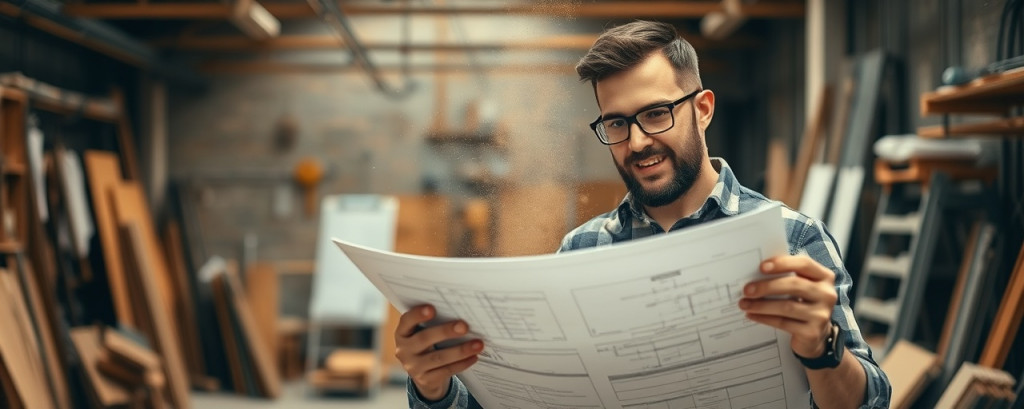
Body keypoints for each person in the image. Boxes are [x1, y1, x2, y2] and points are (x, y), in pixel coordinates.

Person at [395, 20, 891, 409]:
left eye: (656, 114)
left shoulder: (793, 237)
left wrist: (821, 345)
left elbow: (868, 402)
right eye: (616, 122)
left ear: (703, 109)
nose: (636, 143)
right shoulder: (581, 251)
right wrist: (434, 387)